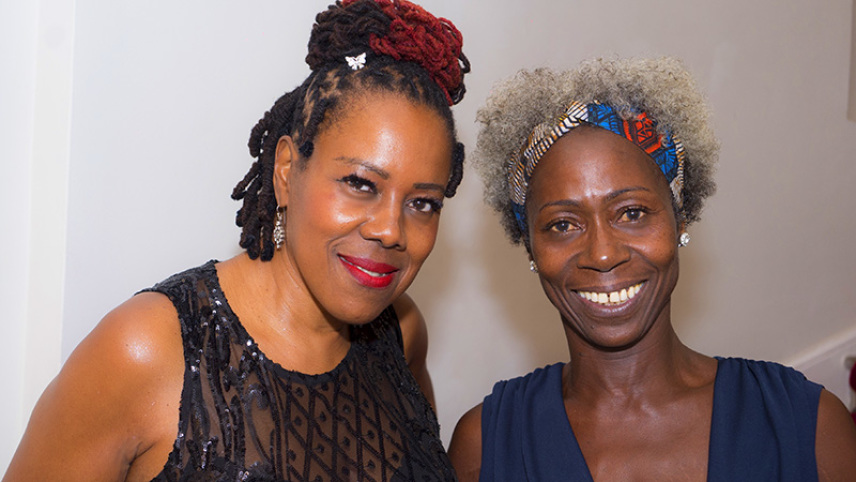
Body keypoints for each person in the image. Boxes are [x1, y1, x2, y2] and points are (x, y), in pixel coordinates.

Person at [5, 1, 469, 480]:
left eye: (423, 203)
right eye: (360, 183)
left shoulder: (401, 334)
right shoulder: (147, 352)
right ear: (286, 170)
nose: (390, 230)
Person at [448, 58, 856, 481]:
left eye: (632, 213)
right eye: (563, 224)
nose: (602, 254)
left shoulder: (806, 427)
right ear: (531, 246)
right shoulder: (485, 447)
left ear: (680, 220)